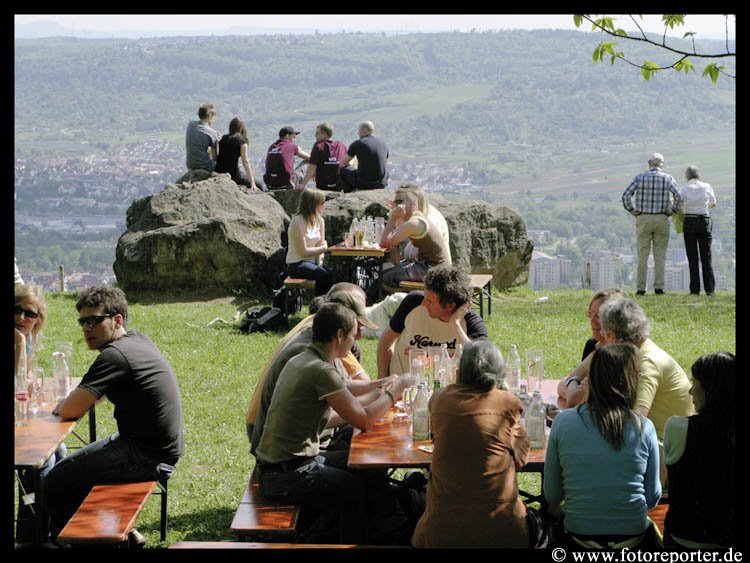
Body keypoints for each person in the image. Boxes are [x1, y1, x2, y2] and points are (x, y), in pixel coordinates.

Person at [254, 302, 416, 543]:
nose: (356, 339)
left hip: (283, 465)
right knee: (354, 492)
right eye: (353, 334)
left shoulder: (307, 358)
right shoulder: (320, 370)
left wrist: (380, 384)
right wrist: (396, 391)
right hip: (286, 475)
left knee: (366, 468)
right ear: (340, 335)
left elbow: (347, 386)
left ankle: (392, 529)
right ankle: (353, 541)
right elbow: (365, 421)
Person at [43, 286, 184, 545]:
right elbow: (100, 394)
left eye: (94, 320)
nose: (86, 328)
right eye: (83, 322)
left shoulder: (114, 355)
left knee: (54, 481)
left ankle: (69, 541)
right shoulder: (137, 340)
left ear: (117, 319)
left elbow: (71, 409)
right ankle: (123, 535)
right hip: (157, 447)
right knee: (74, 471)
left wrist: (63, 402)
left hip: (144, 455)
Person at [412, 340, 547, 548]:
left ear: (460, 371)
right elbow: (521, 459)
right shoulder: (508, 403)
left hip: (440, 533)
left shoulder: (439, 400)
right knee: (543, 522)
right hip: (501, 533)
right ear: (499, 375)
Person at [544, 343, 662, 550]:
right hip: (633, 540)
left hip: (577, 538)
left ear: (591, 378)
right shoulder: (645, 427)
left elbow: (552, 495)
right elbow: (652, 497)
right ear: (631, 382)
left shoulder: (563, 423)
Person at [248, 283, 387, 457]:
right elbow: (353, 415)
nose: (359, 335)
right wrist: (384, 394)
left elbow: (346, 386)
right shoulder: (313, 357)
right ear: (340, 330)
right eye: (357, 327)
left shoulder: (319, 343)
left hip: (288, 448)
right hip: (283, 454)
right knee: (369, 454)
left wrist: (380, 386)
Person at [562, 296, 694, 439]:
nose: (602, 341)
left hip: (667, 448)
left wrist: (582, 394)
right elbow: (565, 387)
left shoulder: (646, 363)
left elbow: (636, 422)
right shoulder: (635, 350)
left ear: (612, 336)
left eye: (604, 334)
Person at [662, 352, 735, 549]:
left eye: (695, 384)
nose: (690, 391)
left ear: (711, 391)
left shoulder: (677, 428)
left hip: (683, 542)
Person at [14, 284, 66, 546]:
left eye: (30, 314)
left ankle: (49, 525)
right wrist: (20, 344)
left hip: (20, 417)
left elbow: (26, 378)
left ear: (38, 319)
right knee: (42, 461)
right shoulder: (19, 338)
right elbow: (17, 381)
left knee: (60, 450)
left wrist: (31, 380)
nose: (22, 318)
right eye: (16, 310)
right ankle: (31, 535)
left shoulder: (29, 337)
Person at [377, 264, 488, 379]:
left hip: (446, 392)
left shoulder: (471, 322)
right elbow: (385, 342)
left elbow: (480, 360)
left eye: (429, 300)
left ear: (450, 305)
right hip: (401, 387)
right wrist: (382, 380)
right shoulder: (413, 303)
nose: (423, 303)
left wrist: (455, 324)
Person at [374, 184, 451, 299]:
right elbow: (393, 240)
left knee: (384, 280)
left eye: (400, 202)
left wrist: (393, 217)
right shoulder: (417, 218)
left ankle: (373, 306)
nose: (396, 205)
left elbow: (384, 242)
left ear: (413, 204)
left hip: (434, 270)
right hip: (429, 266)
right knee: (384, 274)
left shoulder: (414, 223)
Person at [622, 152, 683, 295]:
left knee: (642, 256)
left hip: (643, 218)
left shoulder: (640, 177)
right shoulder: (668, 178)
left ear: (649, 163)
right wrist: (671, 211)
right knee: (660, 255)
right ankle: (659, 287)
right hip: (661, 218)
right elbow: (679, 197)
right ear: (661, 164)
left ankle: (641, 288)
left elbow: (626, 196)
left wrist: (633, 211)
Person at [558, 288, 625, 404]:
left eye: (598, 316)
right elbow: (562, 385)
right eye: (591, 313)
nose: (592, 321)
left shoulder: (623, 356)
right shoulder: (594, 346)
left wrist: (574, 389)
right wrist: (574, 384)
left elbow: (575, 398)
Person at [286, 187, 334, 296]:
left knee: (331, 274)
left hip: (313, 262)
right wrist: (324, 248)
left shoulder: (320, 220)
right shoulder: (297, 222)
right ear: (313, 204)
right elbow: (304, 252)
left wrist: (320, 263)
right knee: (324, 276)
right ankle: (319, 306)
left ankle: (324, 304)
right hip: (297, 263)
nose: (324, 205)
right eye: (322, 202)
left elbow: (320, 245)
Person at [678, 165, 717, 296]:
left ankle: (695, 289)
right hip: (704, 220)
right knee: (706, 256)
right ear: (698, 175)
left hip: (689, 221)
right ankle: (710, 289)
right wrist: (703, 206)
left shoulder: (684, 188)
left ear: (687, 176)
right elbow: (713, 203)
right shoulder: (706, 186)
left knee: (692, 257)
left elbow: (679, 204)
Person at [390, 183, 451, 263]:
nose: (397, 206)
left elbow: (428, 250)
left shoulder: (430, 218)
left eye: (399, 202)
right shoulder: (418, 216)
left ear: (413, 202)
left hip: (433, 268)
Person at [214, 116, 265, 192]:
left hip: (218, 171)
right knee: (260, 185)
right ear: (242, 128)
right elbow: (245, 162)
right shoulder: (241, 141)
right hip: (233, 175)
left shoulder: (224, 138)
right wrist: (252, 183)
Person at [296, 122, 348, 192]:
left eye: (317, 133)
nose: (315, 135)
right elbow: (348, 161)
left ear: (324, 134)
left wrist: (303, 184)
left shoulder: (319, 146)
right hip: (339, 187)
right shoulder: (341, 145)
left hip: (323, 188)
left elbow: (312, 167)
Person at [340, 121, 389, 192]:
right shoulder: (383, 143)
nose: (358, 133)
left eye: (359, 130)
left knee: (343, 170)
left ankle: (350, 193)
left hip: (364, 184)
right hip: (380, 183)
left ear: (364, 131)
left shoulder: (358, 143)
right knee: (386, 171)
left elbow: (345, 162)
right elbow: (384, 162)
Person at [185, 103, 220, 173]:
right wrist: (217, 140)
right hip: (205, 167)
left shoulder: (191, 124)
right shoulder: (212, 133)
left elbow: (203, 130)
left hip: (190, 165)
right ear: (210, 116)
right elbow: (215, 157)